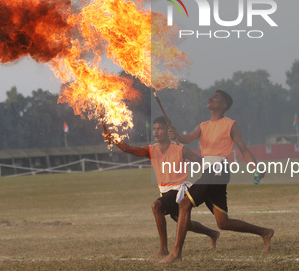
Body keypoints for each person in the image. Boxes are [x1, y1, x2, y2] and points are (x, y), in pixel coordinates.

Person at [160, 90, 274, 263]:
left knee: (184, 204)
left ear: (223, 105)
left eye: (216, 98)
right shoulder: (203, 125)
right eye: (212, 96)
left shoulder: (231, 124)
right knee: (223, 223)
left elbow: (243, 149)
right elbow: (186, 138)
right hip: (209, 172)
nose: (211, 98)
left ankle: (176, 253)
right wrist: (175, 134)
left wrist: (255, 167)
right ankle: (265, 232)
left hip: (218, 170)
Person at [103, 116, 220, 259]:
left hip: (179, 191)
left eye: (160, 129)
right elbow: (130, 149)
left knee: (156, 206)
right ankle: (213, 234)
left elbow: (201, 162)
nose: (156, 132)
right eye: (154, 129)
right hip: (165, 192)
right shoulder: (151, 150)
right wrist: (114, 139)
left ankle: (164, 249)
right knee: (186, 224)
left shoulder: (181, 149)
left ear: (167, 131)